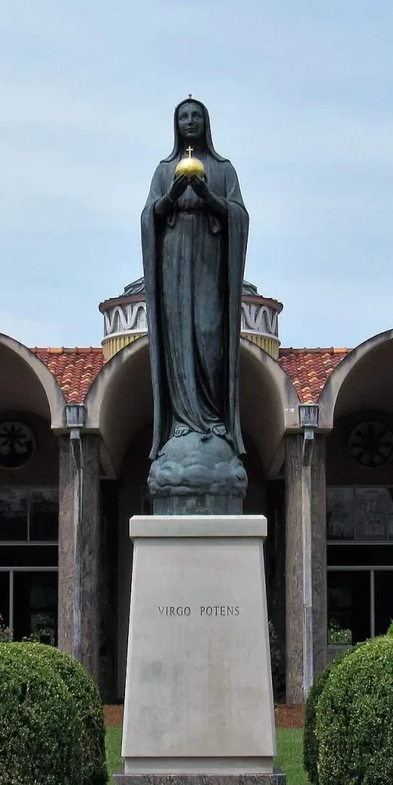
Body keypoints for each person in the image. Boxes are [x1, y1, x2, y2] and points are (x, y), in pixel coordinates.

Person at [139, 99, 250, 507]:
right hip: (172, 267)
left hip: (209, 264)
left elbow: (239, 216)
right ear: (176, 125)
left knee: (208, 338)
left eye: (196, 116)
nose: (190, 122)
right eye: (183, 117)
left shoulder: (223, 170)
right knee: (178, 341)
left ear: (206, 123)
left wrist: (207, 195)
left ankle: (214, 420)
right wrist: (169, 197)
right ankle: (182, 424)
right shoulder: (163, 170)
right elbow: (149, 216)